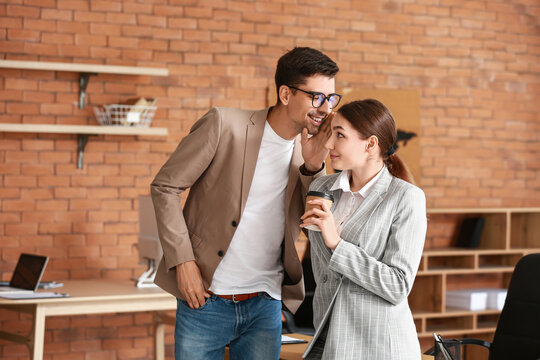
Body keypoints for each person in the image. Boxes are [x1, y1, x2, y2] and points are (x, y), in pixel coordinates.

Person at [150, 47, 340, 360]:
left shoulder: (308, 153)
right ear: (285, 94)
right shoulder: (225, 125)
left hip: (265, 303)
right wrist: (182, 262)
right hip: (206, 298)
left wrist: (313, 166)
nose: (326, 109)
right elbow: (165, 186)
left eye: (332, 99)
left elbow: (311, 226)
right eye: (317, 97)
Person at [300, 99, 427, 360]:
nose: (328, 144)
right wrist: (310, 163)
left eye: (339, 135)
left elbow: (398, 285)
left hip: (377, 347)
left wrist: (337, 243)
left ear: (371, 144)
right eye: (330, 133)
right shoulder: (323, 187)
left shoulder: (406, 197)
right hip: (326, 337)